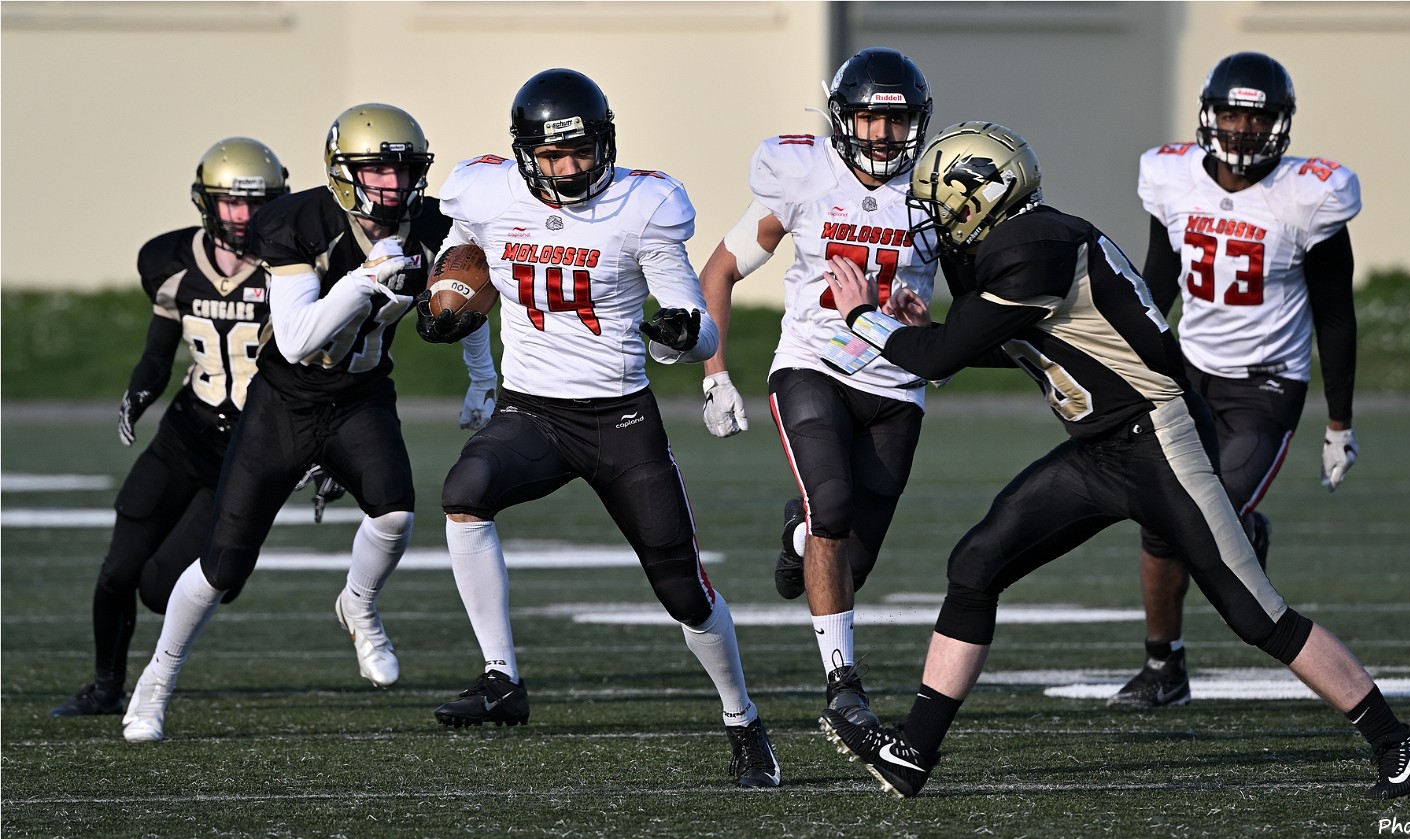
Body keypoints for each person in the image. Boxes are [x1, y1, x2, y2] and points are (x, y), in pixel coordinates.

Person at [815, 121, 1410, 801]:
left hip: (1160, 440)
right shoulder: (1028, 242)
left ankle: (1397, 742)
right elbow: (1015, 344)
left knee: (1254, 613)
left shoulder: (1033, 249)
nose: (933, 219)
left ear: (978, 201)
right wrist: (929, 332)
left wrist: (864, 318)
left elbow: (938, 359)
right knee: (976, 564)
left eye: (940, 203)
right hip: (1100, 449)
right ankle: (914, 753)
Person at [413, 68, 781, 789]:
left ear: (604, 143)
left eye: (580, 151)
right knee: (465, 492)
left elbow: (696, 322)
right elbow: (461, 255)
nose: (569, 168)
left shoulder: (643, 205)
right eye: (552, 156)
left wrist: (684, 334)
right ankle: (501, 678)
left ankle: (743, 720)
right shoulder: (485, 192)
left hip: (619, 419)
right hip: (533, 411)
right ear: (525, 154)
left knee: (683, 591)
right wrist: (446, 310)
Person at [121, 104, 499, 743]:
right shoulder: (300, 223)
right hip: (284, 402)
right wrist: (362, 281)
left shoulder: (436, 225)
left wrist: (481, 374)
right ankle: (155, 681)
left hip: (360, 396)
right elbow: (296, 340)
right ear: (343, 172)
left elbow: (466, 292)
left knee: (395, 514)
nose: (393, 185)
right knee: (222, 565)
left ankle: (358, 605)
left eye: (404, 170)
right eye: (377, 171)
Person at [697, 47, 940, 731]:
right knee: (832, 507)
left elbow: (981, 310)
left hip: (896, 382)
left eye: (897, 121)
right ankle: (842, 684)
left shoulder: (937, 193)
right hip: (813, 365)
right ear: (841, 119)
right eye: (868, 119)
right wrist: (715, 374)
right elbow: (719, 271)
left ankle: (799, 534)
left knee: (848, 557)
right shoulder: (803, 174)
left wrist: (934, 338)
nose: (883, 135)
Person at [1110, 51, 1361, 709]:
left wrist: (1338, 423)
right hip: (1190, 373)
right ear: (1209, 115)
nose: (1244, 130)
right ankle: (1163, 667)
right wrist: (1128, 358)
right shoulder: (1172, 179)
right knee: (1161, 522)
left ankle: (1243, 530)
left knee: (1201, 519)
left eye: (1258, 118)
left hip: (1265, 388)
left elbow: (1336, 314)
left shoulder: (1309, 196)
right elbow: (1157, 282)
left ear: (1281, 124)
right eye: (1232, 114)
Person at [50, 138, 308, 717]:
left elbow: (322, 364)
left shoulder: (293, 268)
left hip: (248, 450)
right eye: (231, 202)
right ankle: (105, 687)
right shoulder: (169, 262)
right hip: (184, 434)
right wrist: (139, 392)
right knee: (117, 571)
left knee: (160, 588)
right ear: (206, 202)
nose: (243, 215)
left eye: (257, 203)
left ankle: (229, 564)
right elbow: (158, 352)